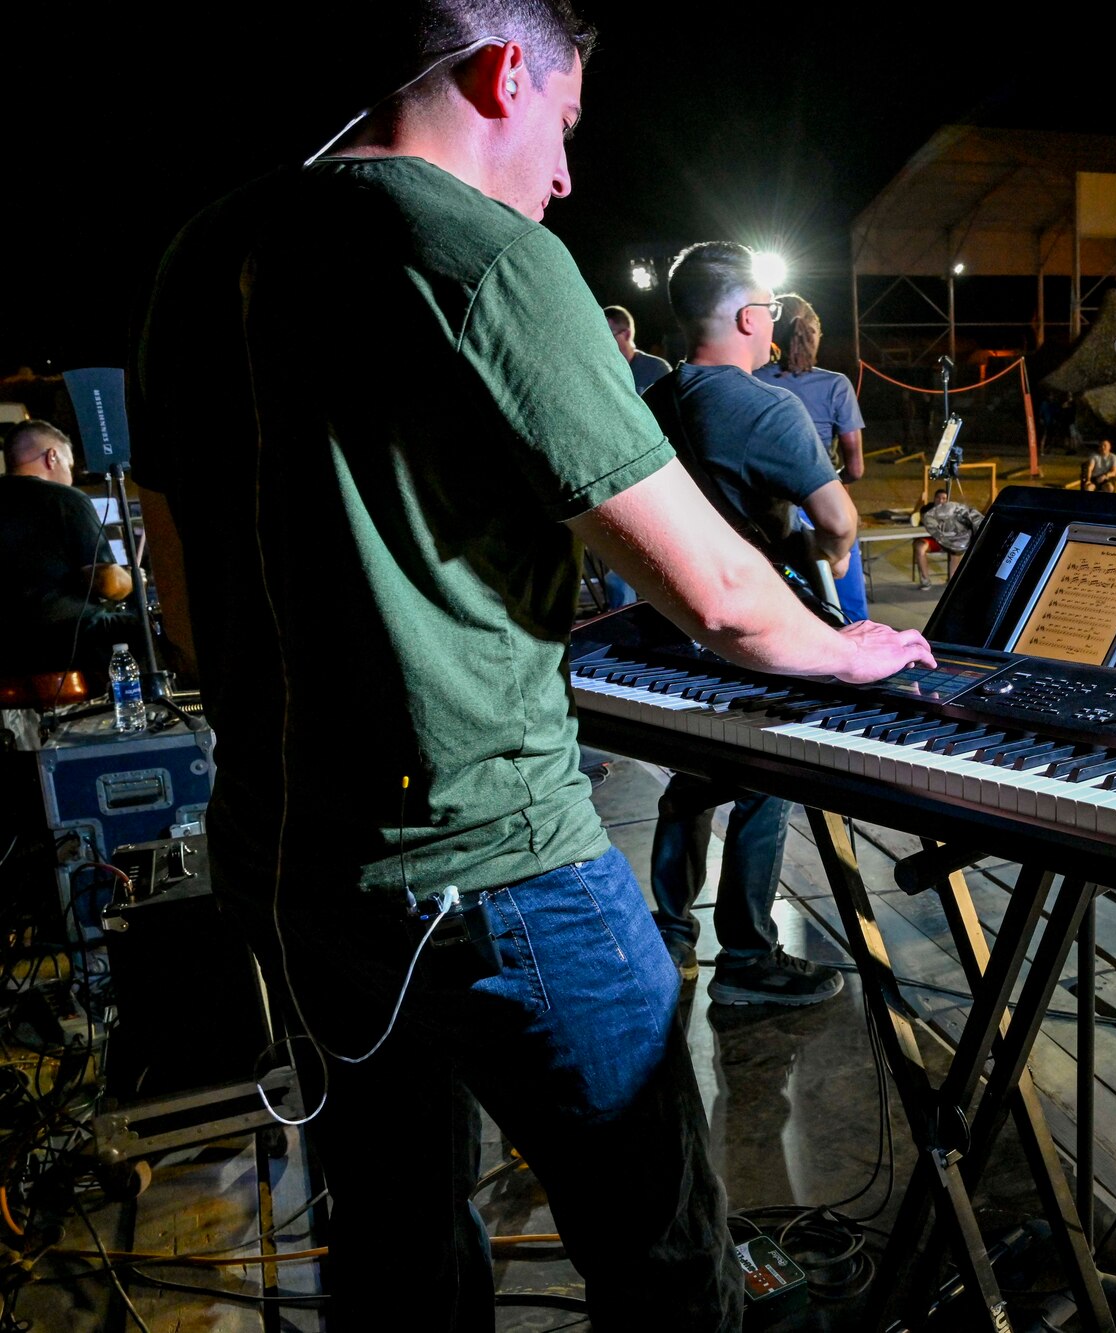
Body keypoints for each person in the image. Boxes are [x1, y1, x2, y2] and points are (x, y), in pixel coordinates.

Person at [129, 9, 934, 1326]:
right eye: (565, 123)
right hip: (493, 861)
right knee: (660, 1241)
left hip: (287, 864)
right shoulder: (487, 254)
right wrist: (850, 643)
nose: (564, 172)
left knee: (393, 1245)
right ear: (506, 72)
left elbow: (180, 594)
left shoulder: (202, 253)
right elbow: (726, 597)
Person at [648, 241, 860, 1009]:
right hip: (748, 631)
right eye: (768, 308)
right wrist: (814, 548)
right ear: (747, 315)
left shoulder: (654, 402)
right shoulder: (766, 406)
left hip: (667, 631)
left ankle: (669, 938)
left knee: (691, 777)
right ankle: (746, 956)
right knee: (765, 782)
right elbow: (839, 520)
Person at [755, 294, 869, 622]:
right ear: (815, 335)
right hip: (823, 503)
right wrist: (833, 480)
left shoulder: (753, 382)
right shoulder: (836, 385)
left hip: (769, 509)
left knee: (784, 612)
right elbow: (856, 468)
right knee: (847, 612)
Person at [0, 420, 140, 679]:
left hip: (6, 650)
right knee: (156, 632)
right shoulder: (64, 498)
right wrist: (132, 580)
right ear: (52, 457)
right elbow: (104, 581)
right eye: (69, 464)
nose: (70, 475)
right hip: (67, 640)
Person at [916, 484, 982, 585]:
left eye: (944, 498)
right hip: (932, 541)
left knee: (956, 551)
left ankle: (952, 582)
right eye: (938, 498)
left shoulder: (952, 511)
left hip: (948, 541)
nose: (940, 500)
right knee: (920, 548)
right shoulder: (927, 509)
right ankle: (925, 580)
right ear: (934, 498)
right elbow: (918, 520)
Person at [604, 303, 670, 394]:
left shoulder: (657, 369)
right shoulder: (603, 370)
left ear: (627, 334)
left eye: (609, 336)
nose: (604, 342)